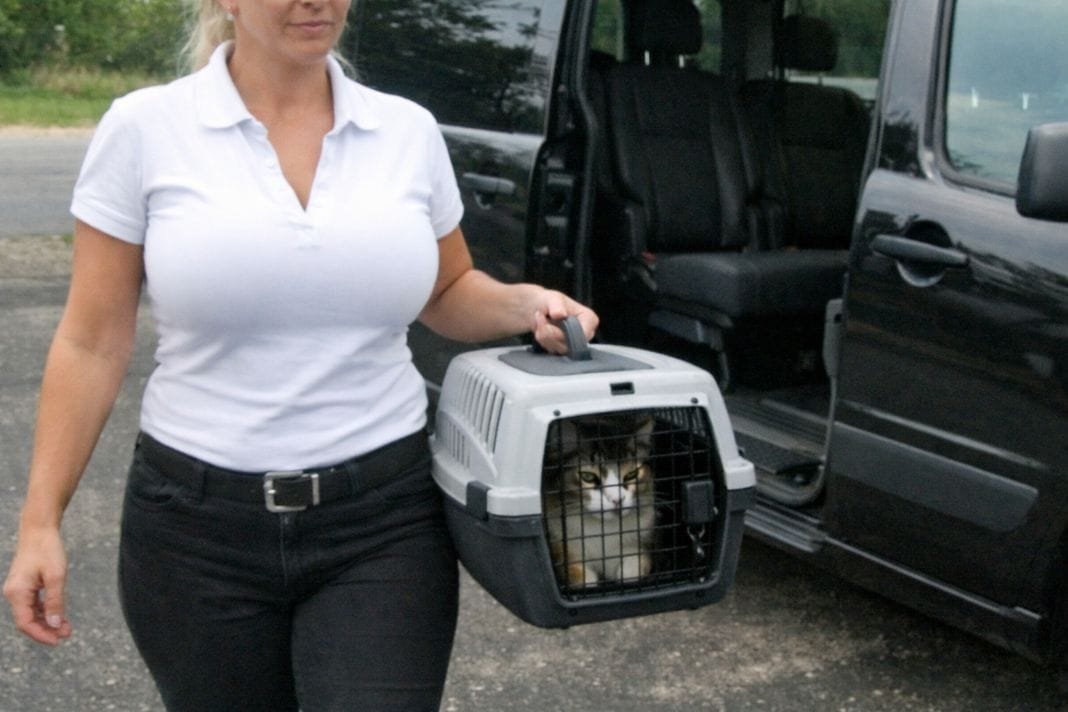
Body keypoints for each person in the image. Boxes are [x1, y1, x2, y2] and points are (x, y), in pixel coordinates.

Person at [2, 0, 598, 709]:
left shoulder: (405, 130)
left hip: (382, 522)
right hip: (195, 533)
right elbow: (92, 340)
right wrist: (41, 522)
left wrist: (523, 304)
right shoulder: (144, 129)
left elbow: (446, 291)